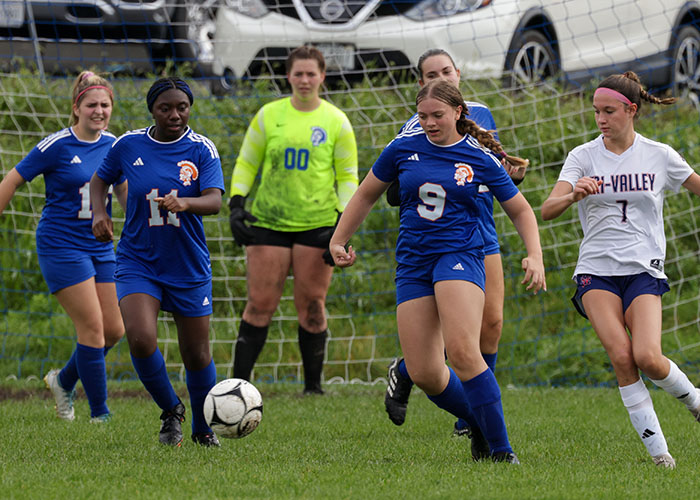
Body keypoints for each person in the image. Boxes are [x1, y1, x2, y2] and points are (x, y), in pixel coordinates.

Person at [330, 79, 546, 463]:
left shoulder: (478, 157)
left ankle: (502, 451)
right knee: (426, 371)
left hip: (460, 254)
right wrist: (338, 240)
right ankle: (478, 421)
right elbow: (366, 194)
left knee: (463, 352)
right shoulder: (402, 148)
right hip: (413, 261)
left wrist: (535, 255)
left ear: (458, 113)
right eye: (423, 115)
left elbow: (521, 210)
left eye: (437, 115)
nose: (429, 123)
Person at [541, 71, 700, 469]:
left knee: (647, 355)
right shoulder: (582, 156)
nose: (601, 119)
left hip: (644, 269)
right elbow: (547, 209)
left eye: (609, 111)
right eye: (596, 111)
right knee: (622, 356)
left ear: (631, 110)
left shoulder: (659, 155)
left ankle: (695, 401)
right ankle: (660, 454)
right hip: (595, 270)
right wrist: (574, 192)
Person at [383, 48, 527, 459]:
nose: (440, 75)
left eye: (446, 70)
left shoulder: (479, 112)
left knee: (491, 324)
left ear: (458, 74)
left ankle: (467, 411)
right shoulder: (415, 128)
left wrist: (509, 170)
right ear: (420, 83)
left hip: (482, 229)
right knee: (456, 339)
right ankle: (474, 422)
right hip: (434, 240)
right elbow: (394, 188)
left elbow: (492, 166)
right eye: (431, 72)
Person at [90, 77, 225, 447]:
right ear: (152, 109)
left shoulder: (201, 149)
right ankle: (171, 411)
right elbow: (99, 181)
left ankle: (202, 428)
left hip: (187, 265)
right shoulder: (129, 144)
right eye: (165, 108)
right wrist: (98, 214)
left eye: (181, 107)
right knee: (139, 337)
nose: (175, 114)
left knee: (196, 354)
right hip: (138, 259)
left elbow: (214, 200)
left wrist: (186, 202)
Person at [227, 46, 358, 394]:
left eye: (310, 74)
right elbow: (246, 163)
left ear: (322, 76)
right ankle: (237, 386)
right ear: (287, 76)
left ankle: (313, 389)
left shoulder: (336, 121)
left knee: (313, 307)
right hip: (269, 221)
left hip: (318, 225)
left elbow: (347, 176)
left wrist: (342, 225)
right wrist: (236, 204)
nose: (304, 80)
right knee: (259, 305)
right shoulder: (269, 115)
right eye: (297, 73)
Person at [0, 71, 126, 423]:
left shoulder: (116, 146)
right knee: (93, 330)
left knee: (116, 330)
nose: (98, 111)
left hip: (100, 247)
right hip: (61, 246)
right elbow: (11, 181)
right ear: (76, 108)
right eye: (91, 105)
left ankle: (64, 380)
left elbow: (125, 192)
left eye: (105, 105)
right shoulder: (56, 145)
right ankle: (100, 416)